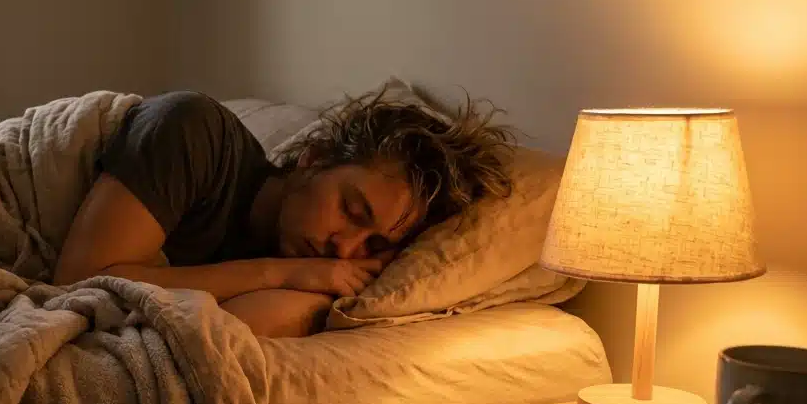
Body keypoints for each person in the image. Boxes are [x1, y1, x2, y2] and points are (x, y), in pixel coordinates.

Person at [53, 86, 514, 337]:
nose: (345, 248)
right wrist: (279, 271)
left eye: (373, 246)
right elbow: (79, 282)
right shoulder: (194, 131)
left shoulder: (313, 268)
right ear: (314, 158)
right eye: (351, 209)